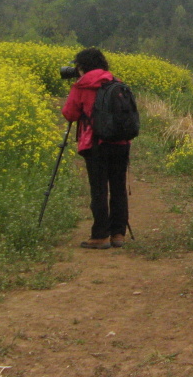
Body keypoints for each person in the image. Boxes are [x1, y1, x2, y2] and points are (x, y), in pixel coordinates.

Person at [61, 47, 131, 249]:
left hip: (95, 144)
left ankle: (100, 235)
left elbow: (70, 114)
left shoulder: (82, 86)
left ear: (82, 66)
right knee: (118, 188)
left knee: (99, 189)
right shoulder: (116, 82)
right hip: (121, 143)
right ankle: (118, 234)